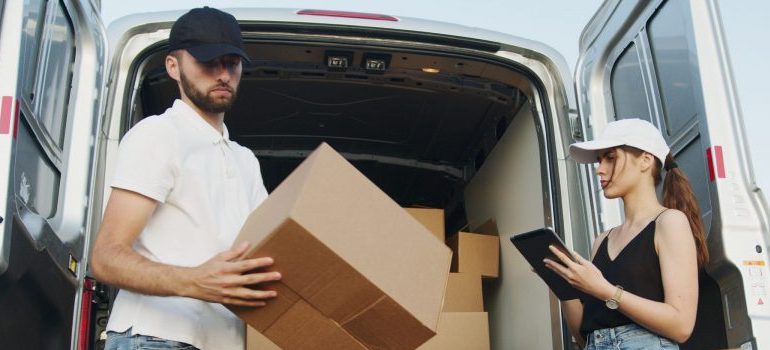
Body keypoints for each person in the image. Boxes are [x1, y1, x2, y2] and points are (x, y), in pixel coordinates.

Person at [91, 7, 280, 350]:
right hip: (156, 337)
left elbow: (270, 252)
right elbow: (105, 257)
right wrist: (195, 282)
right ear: (173, 67)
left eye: (232, 62)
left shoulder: (244, 160)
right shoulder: (159, 135)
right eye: (208, 62)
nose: (223, 74)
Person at [544, 118, 709, 349]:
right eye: (600, 160)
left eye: (610, 158)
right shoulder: (601, 240)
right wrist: (560, 282)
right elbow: (585, 338)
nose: (599, 169)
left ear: (645, 160)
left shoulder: (670, 222)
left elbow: (681, 326)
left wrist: (606, 291)